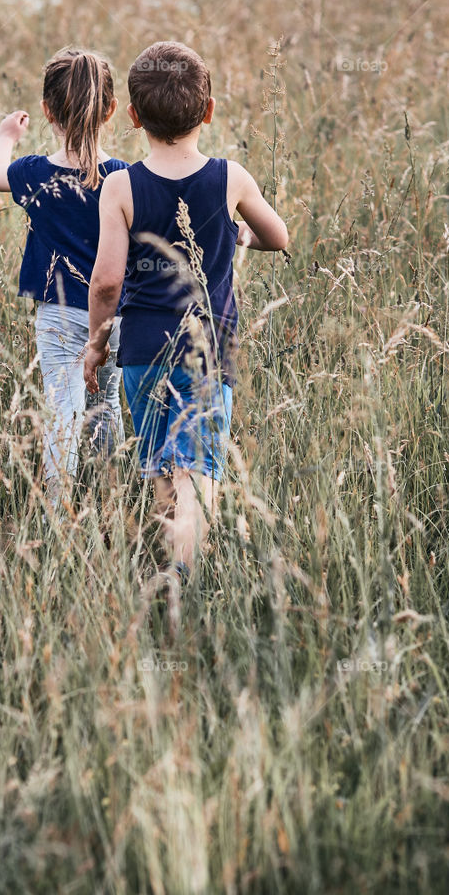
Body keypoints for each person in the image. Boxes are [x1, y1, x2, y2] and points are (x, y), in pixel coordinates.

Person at [84, 41, 289, 573]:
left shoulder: (121, 186)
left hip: (143, 351)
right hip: (207, 350)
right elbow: (279, 236)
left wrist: (95, 343)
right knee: (195, 473)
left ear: (132, 117)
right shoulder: (231, 178)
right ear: (209, 110)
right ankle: (190, 587)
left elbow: (107, 281)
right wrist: (232, 234)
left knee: (158, 470)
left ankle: (171, 580)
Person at [0, 46, 127, 508]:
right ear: (110, 109)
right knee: (106, 408)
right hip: (113, 318)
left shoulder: (33, 172)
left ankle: (61, 510)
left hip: (59, 317)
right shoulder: (124, 178)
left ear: (47, 110)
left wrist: (7, 136)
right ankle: (111, 499)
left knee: (62, 412)